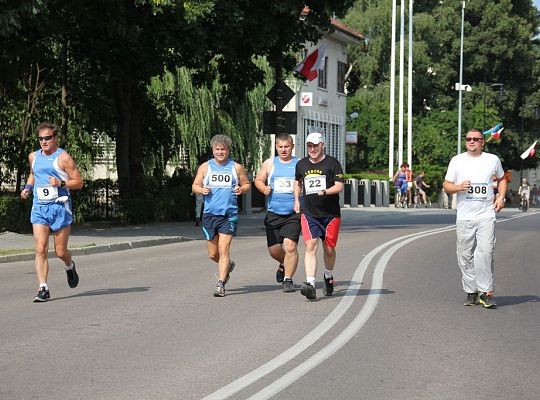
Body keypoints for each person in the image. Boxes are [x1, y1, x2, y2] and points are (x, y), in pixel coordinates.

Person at [20, 122, 84, 302]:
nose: (44, 141)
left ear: (55, 138)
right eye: (40, 139)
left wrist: (61, 183)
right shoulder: (33, 156)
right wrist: (27, 188)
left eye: (47, 138)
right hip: (40, 207)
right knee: (40, 248)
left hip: (59, 207)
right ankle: (43, 288)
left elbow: (79, 182)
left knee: (60, 251)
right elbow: (33, 173)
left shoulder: (63, 157)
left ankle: (69, 266)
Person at [443, 129, 506, 308]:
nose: (472, 142)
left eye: (476, 139)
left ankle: (486, 292)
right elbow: (446, 185)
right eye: (469, 139)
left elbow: (502, 179)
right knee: (465, 254)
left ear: (482, 142)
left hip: (486, 214)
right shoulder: (457, 161)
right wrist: (458, 187)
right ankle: (471, 291)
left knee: (485, 252)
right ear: (465, 141)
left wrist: (500, 197)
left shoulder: (492, 160)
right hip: (465, 216)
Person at [191, 134, 251, 297]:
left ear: (228, 150)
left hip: (228, 215)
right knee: (213, 254)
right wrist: (201, 190)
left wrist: (241, 189)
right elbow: (195, 185)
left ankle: (221, 284)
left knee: (224, 249)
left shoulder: (236, 167)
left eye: (223, 149)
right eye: (217, 149)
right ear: (213, 150)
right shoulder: (205, 167)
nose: (220, 152)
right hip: (210, 214)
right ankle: (227, 265)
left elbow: (246, 184)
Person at [294, 132, 344, 300]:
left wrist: (325, 191)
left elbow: (339, 186)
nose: (312, 149)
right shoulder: (301, 164)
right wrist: (296, 200)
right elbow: (297, 182)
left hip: (330, 215)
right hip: (309, 213)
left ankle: (328, 276)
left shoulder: (333, 163)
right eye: (309, 145)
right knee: (310, 246)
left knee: (329, 249)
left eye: (315, 145)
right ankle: (310, 284)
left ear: (323, 145)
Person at [254, 133, 300, 293]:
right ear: (276, 147)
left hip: (293, 213)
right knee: (274, 251)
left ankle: (288, 279)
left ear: (292, 146)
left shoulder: (299, 164)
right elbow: (258, 180)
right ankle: (283, 263)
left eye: (286, 146)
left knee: (290, 246)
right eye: (280, 147)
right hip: (274, 212)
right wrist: (263, 188)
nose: (283, 150)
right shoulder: (269, 163)